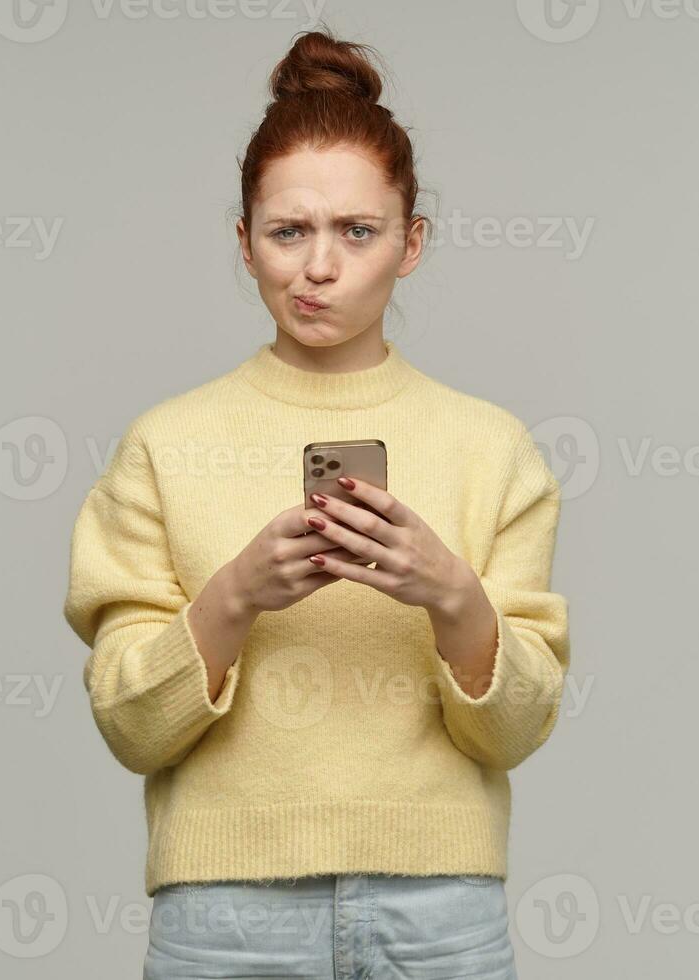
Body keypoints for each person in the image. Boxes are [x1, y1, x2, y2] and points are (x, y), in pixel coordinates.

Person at [62, 26, 570, 979]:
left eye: (358, 232)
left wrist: (450, 593)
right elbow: (130, 727)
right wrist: (236, 594)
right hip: (224, 915)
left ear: (410, 244)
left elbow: (517, 731)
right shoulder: (164, 444)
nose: (319, 267)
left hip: (440, 908)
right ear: (244, 242)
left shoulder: (490, 447)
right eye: (288, 231)